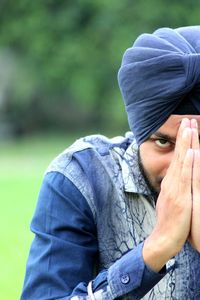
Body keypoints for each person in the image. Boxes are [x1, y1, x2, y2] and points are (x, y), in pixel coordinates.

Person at [21, 26, 200, 300]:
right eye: (164, 143)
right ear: (140, 135)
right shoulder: (83, 178)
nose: (182, 166)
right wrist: (155, 249)